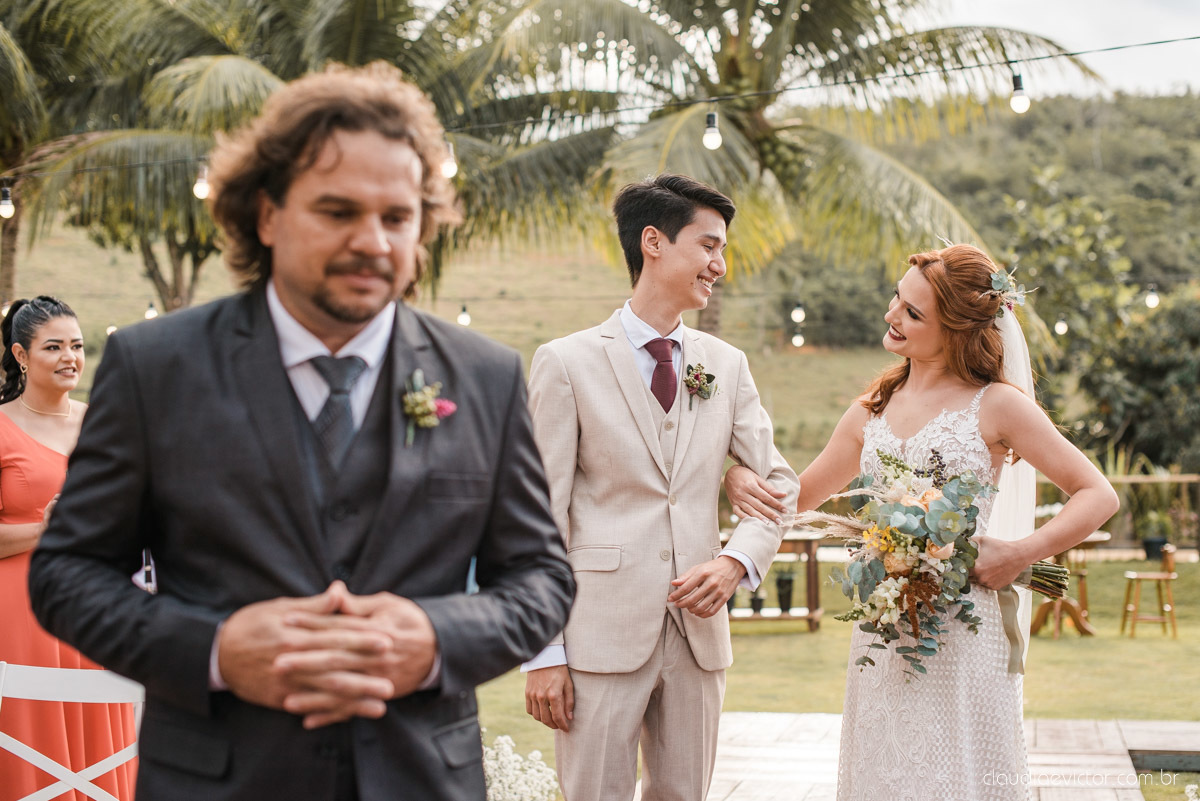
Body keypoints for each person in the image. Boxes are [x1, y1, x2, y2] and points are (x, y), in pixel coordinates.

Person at [28, 63, 574, 801]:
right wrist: (216, 649)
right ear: (266, 214)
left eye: (396, 216)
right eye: (337, 210)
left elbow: (541, 578)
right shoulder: (156, 367)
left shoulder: (487, 375)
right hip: (219, 779)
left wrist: (436, 638)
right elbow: (66, 571)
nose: (373, 241)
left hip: (420, 780)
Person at [725, 244, 1119, 800]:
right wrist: (739, 478)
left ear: (956, 329)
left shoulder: (998, 406)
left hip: (963, 628)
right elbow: (794, 498)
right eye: (896, 299)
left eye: (913, 313)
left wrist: (1019, 552)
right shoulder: (870, 411)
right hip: (884, 631)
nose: (892, 315)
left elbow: (1098, 494)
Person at [523, 174, 800, 801]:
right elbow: (538, 517)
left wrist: (736, 562)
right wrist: (543, 653)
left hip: (698, 640)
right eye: (708, 246)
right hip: (595, 635)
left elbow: (780, 484)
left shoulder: (724, 365)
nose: (719, 265)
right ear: (653, 241)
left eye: (721, 251)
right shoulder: (565, 363)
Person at [0, 296, 137, 801]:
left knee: (100, 743)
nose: (70, 358)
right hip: (20, 613)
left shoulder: (106, 420)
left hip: (97, 603)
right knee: (28, 740)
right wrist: (47, 528)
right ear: (20, 355)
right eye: (53, 346)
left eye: (76, 346)